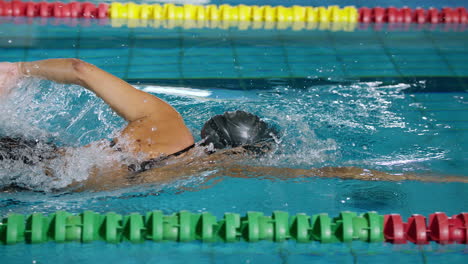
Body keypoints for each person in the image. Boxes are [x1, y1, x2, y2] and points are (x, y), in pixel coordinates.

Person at [0, 59, 466, 192]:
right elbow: (331, 174)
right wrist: (434, 177)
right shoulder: (216, 169)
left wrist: (19, 70)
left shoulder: (163, 120)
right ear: (240, 151)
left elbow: (81, 69)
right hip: (40, 186)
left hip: (36, 155)